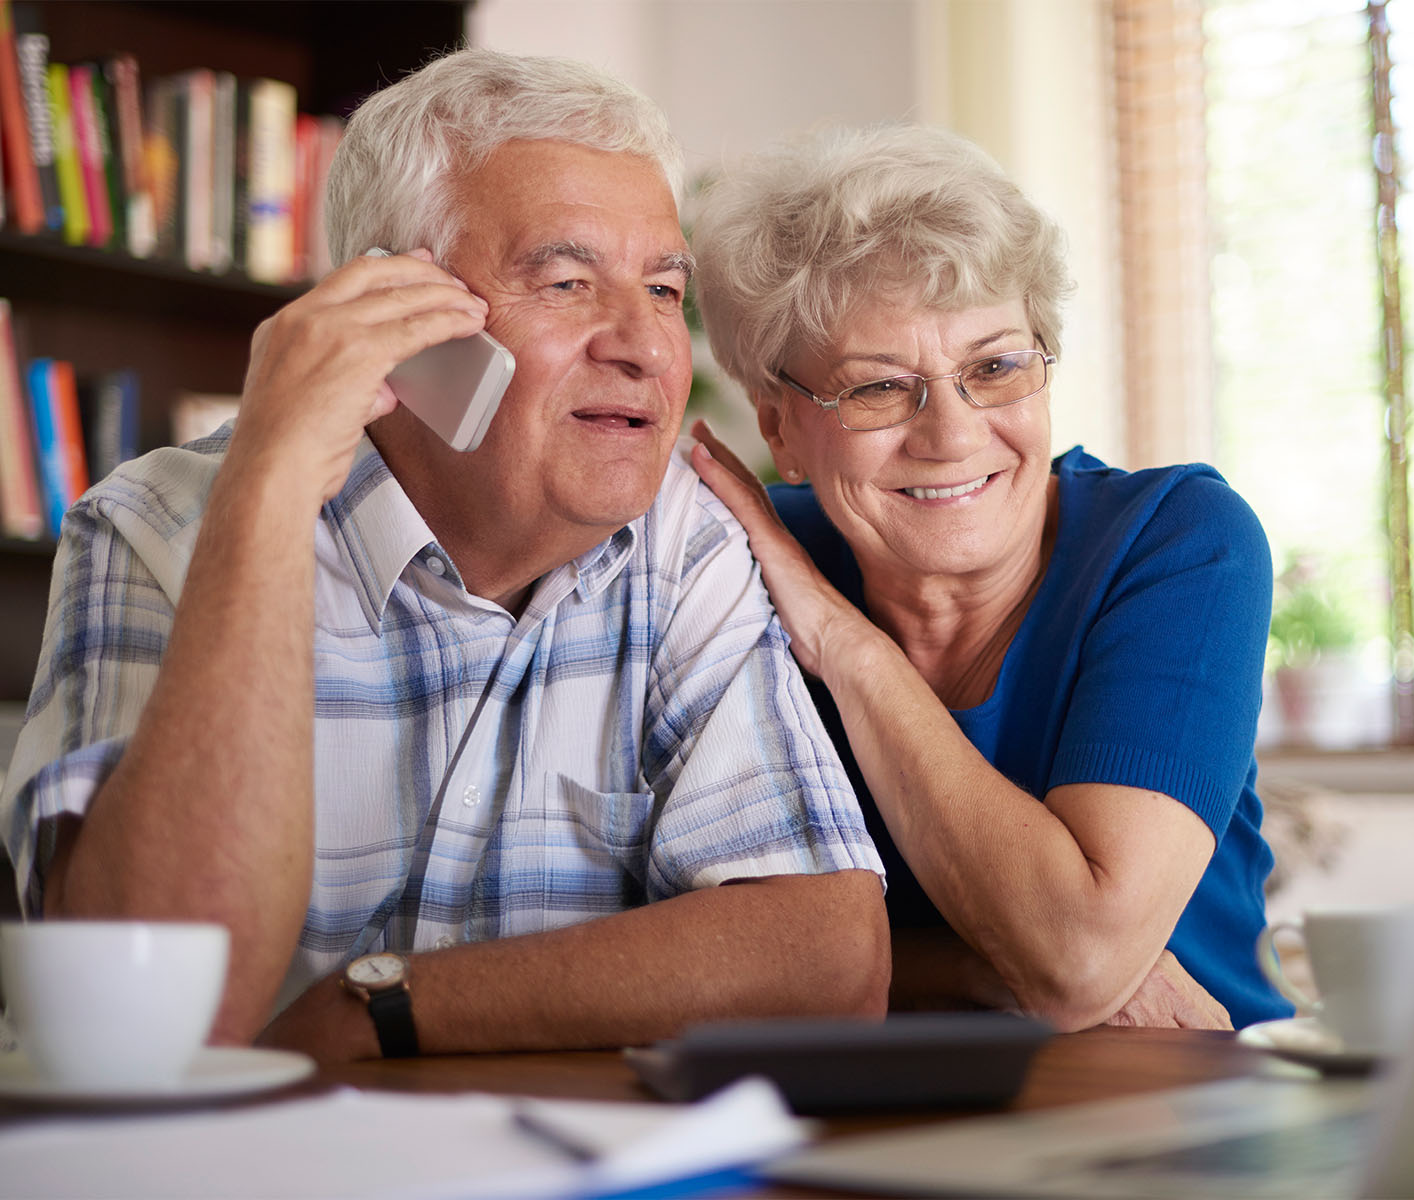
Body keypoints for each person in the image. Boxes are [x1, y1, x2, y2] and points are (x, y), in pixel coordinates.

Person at [0, 51, 888, 1063]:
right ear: (401, 321)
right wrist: (270, 492)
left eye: (659, 287)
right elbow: (145, 1021)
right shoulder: (158, 528)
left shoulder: (684, 542)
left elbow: (825, 954)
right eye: (565, 281)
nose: (643, 344)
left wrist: (376, 1005)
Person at [688, 124, 1293, 1030]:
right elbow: (655, 925)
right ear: (780, 432)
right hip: (878, 1122)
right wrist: (976, 967)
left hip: (1199, 1097)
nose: (953, 435)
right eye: (878, 388)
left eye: (996, 366)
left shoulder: (1177, 543)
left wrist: (851, 650)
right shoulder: (735, 567)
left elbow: (1075, 958)